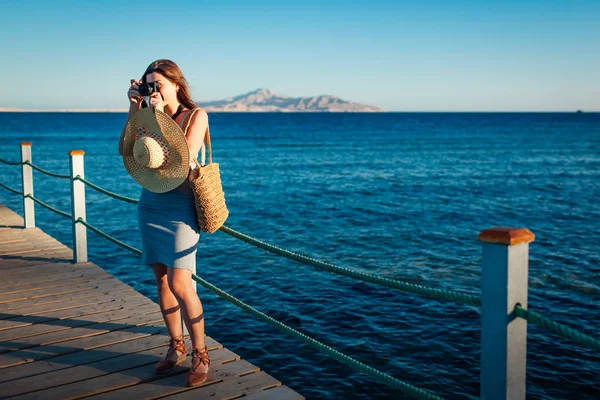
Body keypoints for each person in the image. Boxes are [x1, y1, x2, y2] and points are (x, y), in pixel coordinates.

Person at [117, 59, 211, 387]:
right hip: (151, 203)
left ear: (176, 85)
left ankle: (200, 353)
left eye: (158, 84)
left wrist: (158, 116)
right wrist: (134, 108)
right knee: (161, 282)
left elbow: (183, 157)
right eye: (148, 85)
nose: (153, 90)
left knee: (181, 283)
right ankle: (176, 347)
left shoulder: (195, 116)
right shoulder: (145, 113)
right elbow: (125, 149)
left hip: (180, 207)